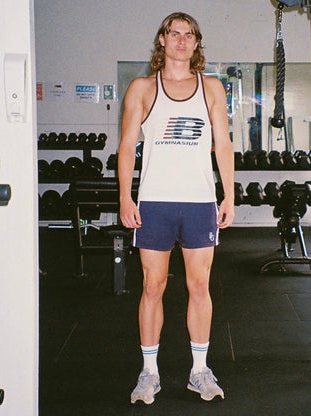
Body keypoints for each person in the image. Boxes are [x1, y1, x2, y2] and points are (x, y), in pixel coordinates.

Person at [118, 11, 235, 405]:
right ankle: (149, 373)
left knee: (199, 286)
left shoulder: (212, 88)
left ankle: (199, 370)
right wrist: (124, 196)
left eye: (190, 34)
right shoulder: (142, 88)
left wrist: (230, 195)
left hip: (200, 201)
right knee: (153, 286)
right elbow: (126, 147)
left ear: (197, 43)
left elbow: (224, 144)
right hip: (155, 202)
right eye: (175, 33)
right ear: (162, 41)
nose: (182, 40)